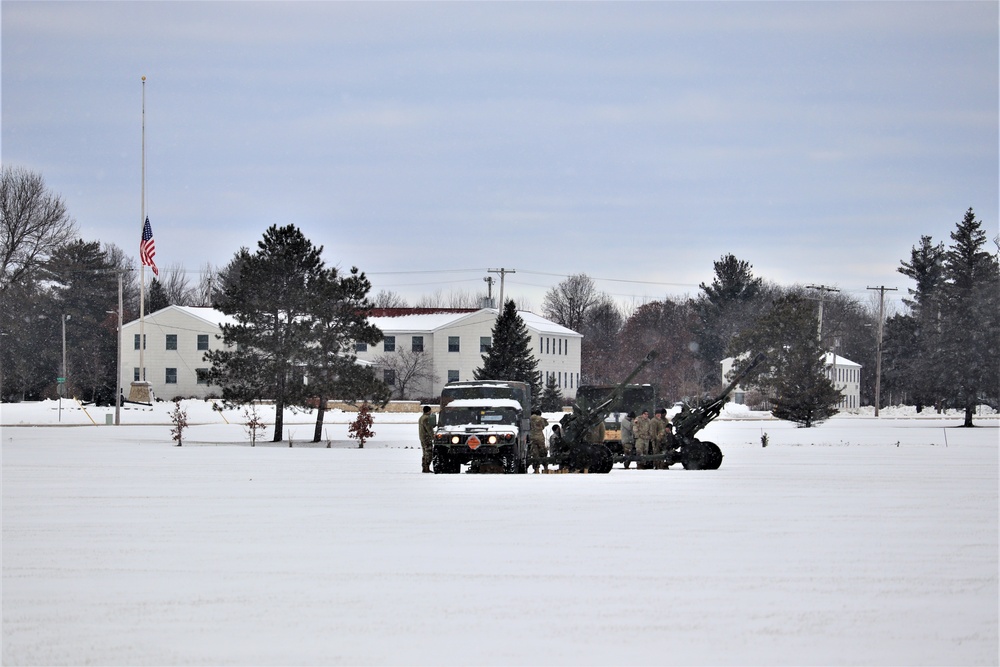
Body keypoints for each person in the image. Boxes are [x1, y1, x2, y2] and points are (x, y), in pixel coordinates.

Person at [529, 409, 549, 473]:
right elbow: (546, 424)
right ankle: (545, 467)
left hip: (531, 437)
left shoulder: (528, 419)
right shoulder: (540, 418)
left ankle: (536, 468)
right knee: (543, 452)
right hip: (540, 437)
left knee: (535, 453)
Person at [418, 405, 435, 473]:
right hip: (426, 438)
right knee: (429, 453)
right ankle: (426, 467)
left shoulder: (421, 418)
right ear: (428, 411)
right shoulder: (426, 418)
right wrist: (433, 436)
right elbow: (429, 429)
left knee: (425, 453)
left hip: (422, 437)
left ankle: (425, 467)